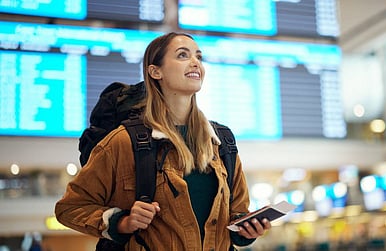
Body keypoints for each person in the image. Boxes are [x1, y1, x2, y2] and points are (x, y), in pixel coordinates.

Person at [55, 32, 271, 250]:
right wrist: (122, 222)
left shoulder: (222, 141)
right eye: (182, 55)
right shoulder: (124, 141)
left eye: (199, 56)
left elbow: (237, 213)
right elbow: (70, 208)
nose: (195, 62)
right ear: (155, 71)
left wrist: (246, 231)